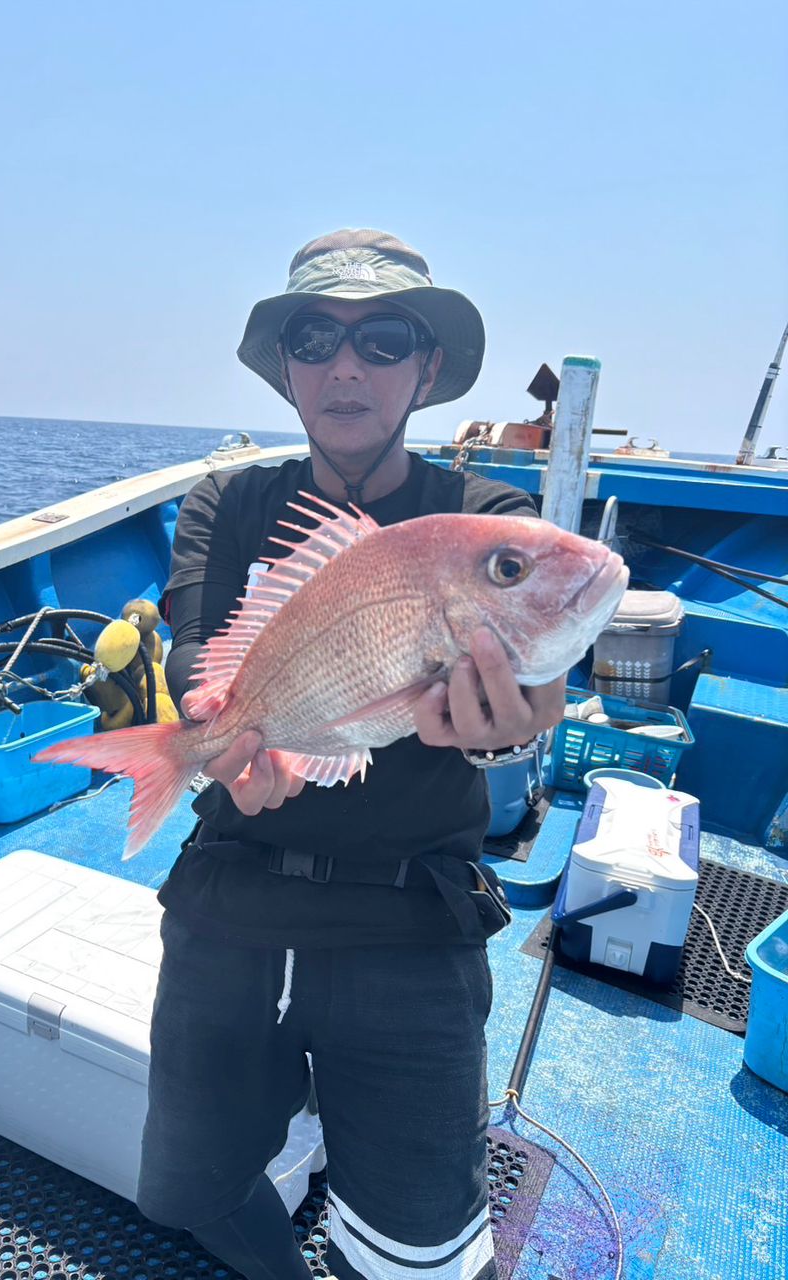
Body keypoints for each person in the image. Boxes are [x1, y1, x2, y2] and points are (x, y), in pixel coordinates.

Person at [135, 229, 567, 1280]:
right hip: (233, 902)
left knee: (422, 1247)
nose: (345, 364)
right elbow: (202, 651)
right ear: (285, 367)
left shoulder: (483, 521)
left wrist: (517, 718)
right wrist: (217, 732)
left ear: (424, 368)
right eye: (316, 335)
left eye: (382, 339)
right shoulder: (228, 502)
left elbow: (538, 688)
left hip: (411, 921)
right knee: (185, 1189)